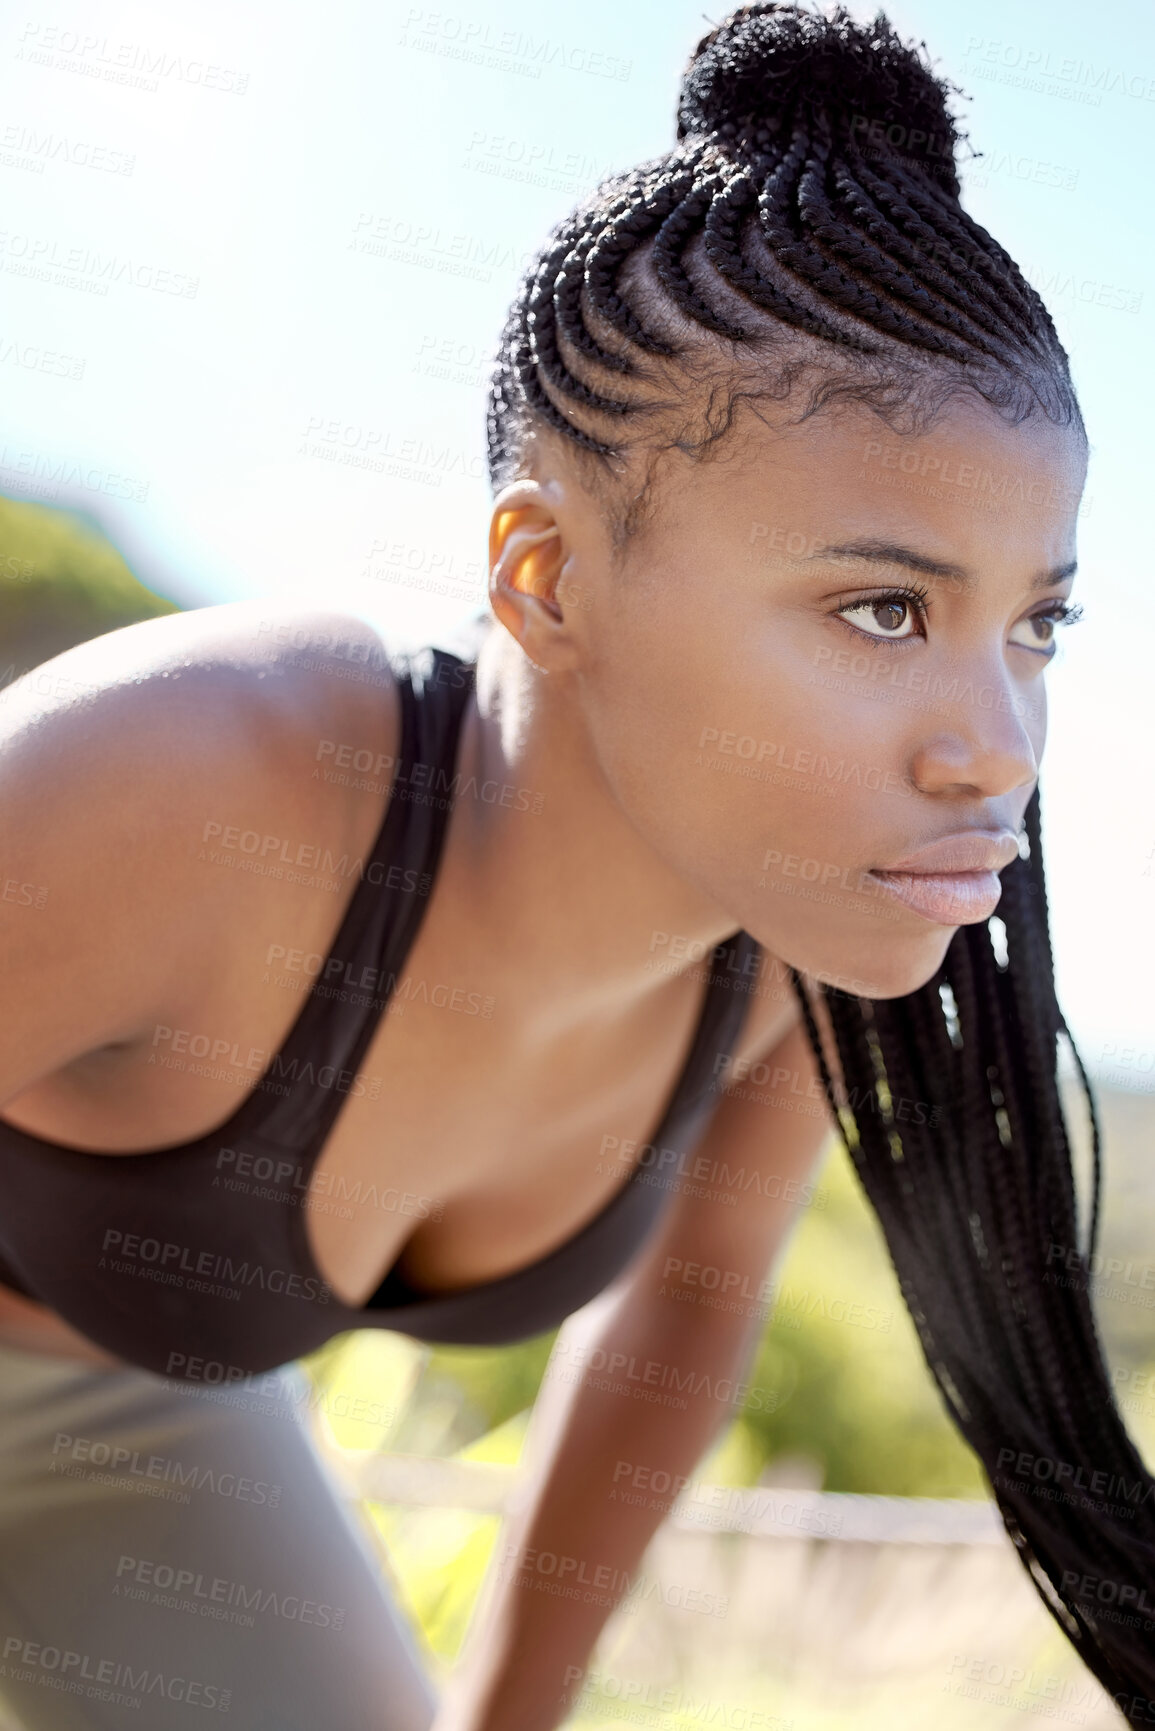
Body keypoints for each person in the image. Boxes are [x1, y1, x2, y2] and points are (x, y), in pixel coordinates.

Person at [0, 2, 1148, 1726]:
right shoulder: (212, 769)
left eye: (1036, 624)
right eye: (884, 608)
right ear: (549, 577)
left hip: (137, 1435)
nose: (996, 744)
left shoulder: (786, 956)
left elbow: (679, 1334)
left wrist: (506, 1719)